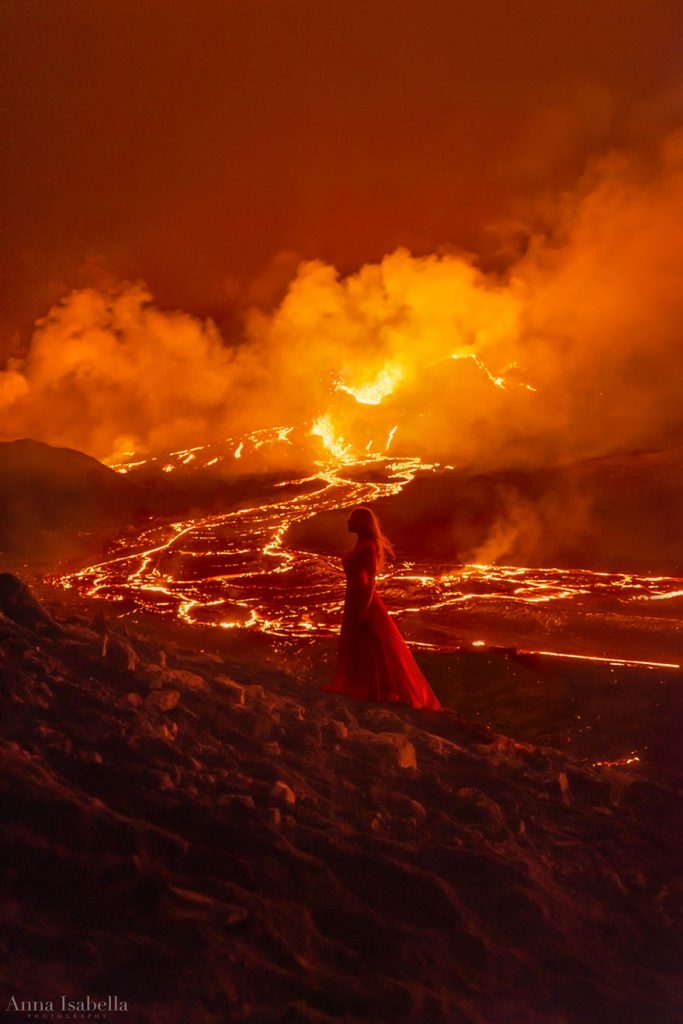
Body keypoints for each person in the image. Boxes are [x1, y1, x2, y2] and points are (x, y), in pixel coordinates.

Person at [320, 506, 442, 710]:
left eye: (352, 519)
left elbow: (371, 582)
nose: (347, 522)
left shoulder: (368, 547)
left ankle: (376, 691)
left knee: (371, 644)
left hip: (363, 601)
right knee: (363, 645)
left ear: (361, 523)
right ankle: (364, 687)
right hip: (353, 599)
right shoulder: (361, 545)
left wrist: (364, 608)